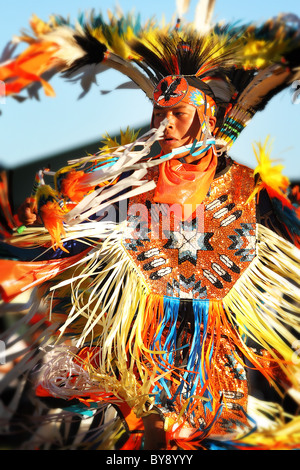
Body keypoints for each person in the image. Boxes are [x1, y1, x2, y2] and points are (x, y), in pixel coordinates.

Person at [1, 8, 300, 451]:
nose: (166, 123)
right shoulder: (128, 181)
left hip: (220, 347)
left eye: (178, 112)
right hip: (134, 338)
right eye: (160, 112)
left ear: (207, 119)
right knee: (142, 437)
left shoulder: (247, 186)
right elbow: (70, 239)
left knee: (208, 437)